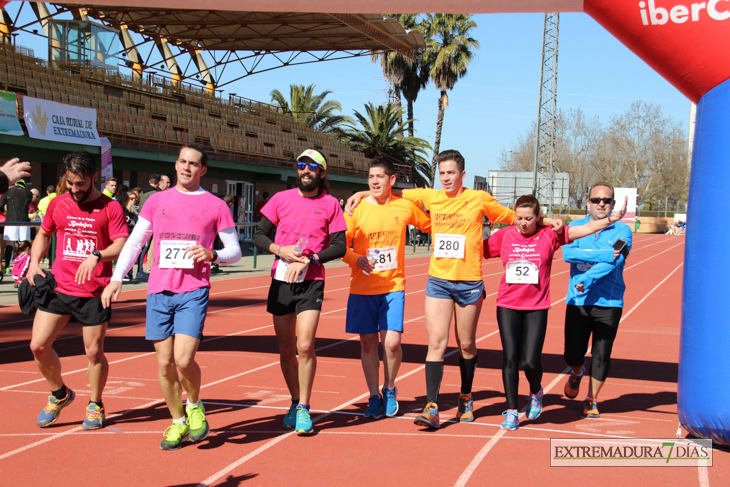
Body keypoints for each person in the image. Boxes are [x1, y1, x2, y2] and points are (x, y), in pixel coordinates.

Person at [346, 149, 562, 428]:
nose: (446, 178)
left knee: (466, 344)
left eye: (451, 173)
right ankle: (432, 406)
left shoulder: (478, 199)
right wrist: (362, 194)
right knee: (436, 343)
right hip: (438, 281)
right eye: (442, 173)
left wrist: (544, 221)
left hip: (469, 283)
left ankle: (466, 395)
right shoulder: (430, 197)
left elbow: (512, 218)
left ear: (462, 175)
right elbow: (391, 191)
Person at [102, 143, 241, 450]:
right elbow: (136, 242)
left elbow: (235, 251)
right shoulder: (157, 201)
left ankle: (194, 404)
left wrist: (212, 253)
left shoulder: (216, 205)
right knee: (164, 364)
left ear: (202, 170)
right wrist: (116, 279)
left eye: (193, 163)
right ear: (175, 164)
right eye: (181, 161)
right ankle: (178, 422)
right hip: (158, 290)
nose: (186, 167)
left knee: (183, 358)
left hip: (193, 290)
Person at [483, 193, 626, 430]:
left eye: (529, 218)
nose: (523, 223)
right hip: (507, 304)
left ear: (538, 217)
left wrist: (610, 220)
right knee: (509, 358)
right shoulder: (505, 235)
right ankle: (511, 410)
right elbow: (479, 248)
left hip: (536, 306)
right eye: (519, 218)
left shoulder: (549, 235)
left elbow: (585, 229)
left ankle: (536, 392)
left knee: (530, 361)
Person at [25, 151, 128, 431]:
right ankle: (60, 394)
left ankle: (95, 404)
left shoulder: (111, 207)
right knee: (38, 346)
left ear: (95, 178)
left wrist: (97, 255)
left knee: (94, 352)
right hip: (59, 288)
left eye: (80, 184)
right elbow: (44, 234)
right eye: (70, 183)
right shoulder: (58, 204)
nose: (74, 189)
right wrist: (34, 263)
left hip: (95, 292)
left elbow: (122, 244)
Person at [253, 148, 346, 435]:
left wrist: (311, 258)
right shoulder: (281, 199)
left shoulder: (331, 204)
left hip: (311, 281)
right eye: (301, 165)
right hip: (281, 280)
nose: (305, 170)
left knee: (304, 345)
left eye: (312, 166)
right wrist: (279, 250)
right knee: (285, 348)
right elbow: (259, 235)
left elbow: (340, 246)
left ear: (322, 172)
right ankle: (294, 401)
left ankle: (305, 407)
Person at [342, 156, 431, 419]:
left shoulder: (405, 207)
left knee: (391, 344)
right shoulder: (356, 210)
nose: (374, 181)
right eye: (370, 177)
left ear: (391, 180)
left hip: (393, 286)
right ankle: (373, 396)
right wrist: (355, 259)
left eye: (379, 176)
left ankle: (390, 388)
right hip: (362, 288)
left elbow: (433, 226)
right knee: (369, 344)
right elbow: (340, 246)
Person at [562, 182, 632, 419]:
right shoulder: (575, 226)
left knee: (602, 353)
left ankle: (591, 398)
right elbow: (567, 254)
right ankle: (577, 371)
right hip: (578, 301)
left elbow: (616, 261)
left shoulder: (623, 231)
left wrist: (588, 277)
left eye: (606, 200)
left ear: (612, 204)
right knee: (573, 353)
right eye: (596, 200)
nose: (601, 204)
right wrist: (602, 254)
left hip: (609, 302)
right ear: (587, 202)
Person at [0, 178, 33, 270]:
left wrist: (5, 210)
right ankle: (21, 265)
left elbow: (0, 205)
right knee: (24, 243)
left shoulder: (8, 191)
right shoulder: (28, 193)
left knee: (9, 243)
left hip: (11, 219)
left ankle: (6, 266)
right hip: (24, 220)